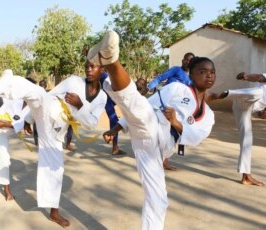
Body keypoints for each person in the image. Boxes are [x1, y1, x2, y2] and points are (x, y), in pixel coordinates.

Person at [0, 66, 107, 228]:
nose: (89, 69)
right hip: (47, 109)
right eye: (87, 65)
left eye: (93, 66)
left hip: (57, 131)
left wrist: (80, 106)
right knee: (34, 90)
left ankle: (54, 213)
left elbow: (91, 124)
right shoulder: (73, 80)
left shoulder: (102, 98)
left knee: (55, 170)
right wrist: (28, 120)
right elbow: (49, 95)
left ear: (103, 69)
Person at [87, 31, 216, 229]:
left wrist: (175, 122)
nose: (208, 75)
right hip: (151, 126)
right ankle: (110, 60)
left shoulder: (209, 115)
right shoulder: (177, 89)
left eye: (212, 72)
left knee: (159, 199)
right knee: (138, 105)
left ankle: (105, 61)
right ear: (191, 74)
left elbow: (196, 136)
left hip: (162, 147)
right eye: (202, 71)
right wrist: (117, 127)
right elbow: (149, 103)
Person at [212, 63, 266, 186]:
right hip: (245, 99)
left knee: (247, 141)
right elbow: (259, 77)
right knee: (257, 92)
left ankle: (246, 176)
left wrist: (262, 113)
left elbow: (261, 106)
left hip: (245, 109)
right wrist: (246, 77)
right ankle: (222, 94)